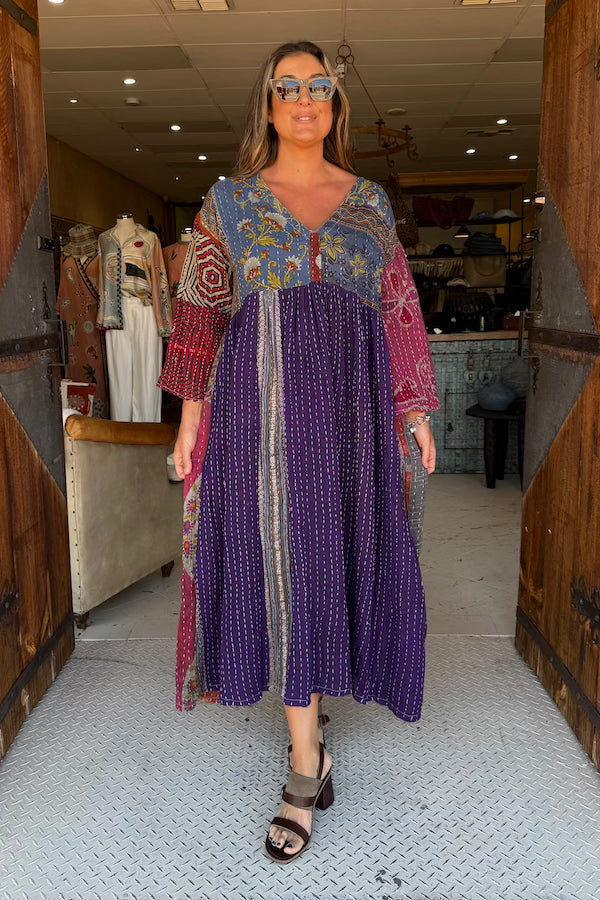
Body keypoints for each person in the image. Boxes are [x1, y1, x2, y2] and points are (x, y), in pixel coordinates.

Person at [158, 39, 439, 864]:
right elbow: (200, 313)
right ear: (269, 105)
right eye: (288, 87)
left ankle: (314, 736)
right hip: (260, 413)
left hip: (352, 414)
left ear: (335, 103)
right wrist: (189, 420)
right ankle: (306, 763)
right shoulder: (231, 203)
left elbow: (398, 305)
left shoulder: (371, 205)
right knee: (279, 562)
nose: (305, 98)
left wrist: (415, 405)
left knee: (333, 557)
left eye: (319, 86)